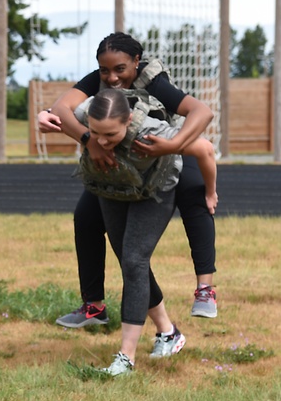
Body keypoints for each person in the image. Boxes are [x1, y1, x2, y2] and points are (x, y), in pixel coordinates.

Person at [37, 32, 219, 324]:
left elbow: (202, 112)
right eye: (105, 70)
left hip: (165, 149)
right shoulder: (96, 79)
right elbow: (60, 108)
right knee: (86, 217)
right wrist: (88, 139)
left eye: (120, 69)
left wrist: (174, 146)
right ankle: (94, 306)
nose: (111, 77)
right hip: (126, 158)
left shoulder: (154, 82)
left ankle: (205, 289)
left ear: (136, 61)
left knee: (196, 198)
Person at [75, 87, 199, 376]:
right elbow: (60, 111)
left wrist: (210, 193)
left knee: (134, 260)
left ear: (129, 120)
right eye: (96, 133)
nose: (102, 142)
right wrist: (77, 134)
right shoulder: (86, 114)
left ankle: (126, 358)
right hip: (115, 189)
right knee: (132, 264)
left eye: (111, 135)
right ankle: (168, 333)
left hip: (155, 192)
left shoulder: (154, 131)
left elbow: (204, 150)